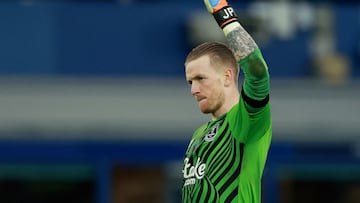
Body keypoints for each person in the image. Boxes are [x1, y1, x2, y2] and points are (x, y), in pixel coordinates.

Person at [181, 0, 272, 202]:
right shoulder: (198, 135)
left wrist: (223, 13)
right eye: (190, 82)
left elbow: (258, 72)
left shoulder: (245, 119)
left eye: (201, 79)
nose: (194, 90)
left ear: (227, 77)